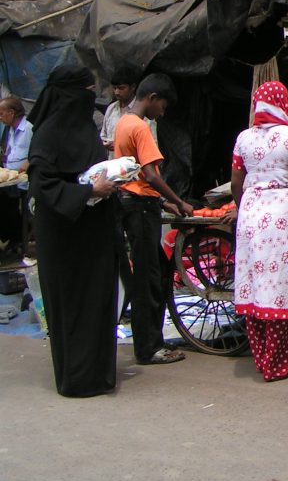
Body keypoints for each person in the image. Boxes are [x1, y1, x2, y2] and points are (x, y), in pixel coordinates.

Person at [27, 65, 120, 397]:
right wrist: (89, 193)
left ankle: (98, 374)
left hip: (93, 237)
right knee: (73, 306)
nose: (91, 97)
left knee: (97, 302)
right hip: (65, 240)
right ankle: (78, 379)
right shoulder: (49, 133)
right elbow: (44, 184)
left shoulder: (83, 129)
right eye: (87, 91)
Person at [231, 81, 288, 382]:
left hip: (250, 212)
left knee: (257, 285)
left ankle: (263, 358)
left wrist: (242, 204)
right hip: (282, 213)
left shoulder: (243, 138)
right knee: (282, 288)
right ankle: (280, 363)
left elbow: (235, 181)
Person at [114, 73, 193, 366]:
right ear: (152, 99)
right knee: (148, 278)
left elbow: (135, 175)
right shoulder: (140, 127)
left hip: (135, 204)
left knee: (156, 270)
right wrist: (178, 201)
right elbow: (148, 175)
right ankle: (149, 348)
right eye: (163, 106)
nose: (163, 112)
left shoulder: (123, 122)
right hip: (139, 209)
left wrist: (163, 202)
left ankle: (152, 339)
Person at [100, 66, 158, 153]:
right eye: (115, 88)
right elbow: (103, 135)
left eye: (121, 88)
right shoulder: (112, 109)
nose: (117, 92)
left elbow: (153, 146)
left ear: (133, 87)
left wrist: (119, 145)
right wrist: (106, 143)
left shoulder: (144, 112)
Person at [0, 96, 32, 251]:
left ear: (11, 113)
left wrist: (29, 162)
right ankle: (12, 237)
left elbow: (37, 153)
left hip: (25, 182)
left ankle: (18, 238)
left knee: (5, 203)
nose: (0, 117)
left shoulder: (29, 129)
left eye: (1, 114)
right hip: (11, 180)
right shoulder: (10, 130)